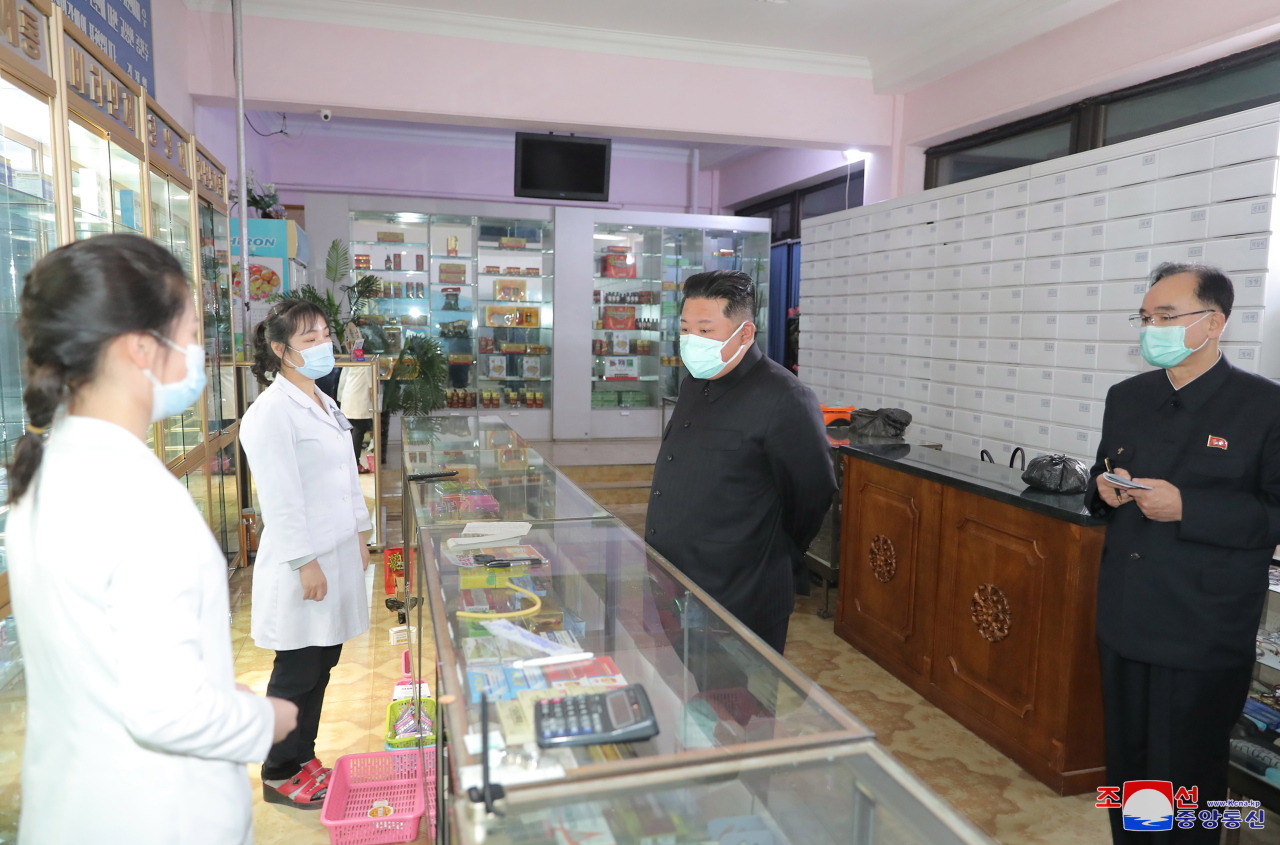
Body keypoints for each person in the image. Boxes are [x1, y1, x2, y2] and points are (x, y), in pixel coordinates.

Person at [6, 235, 296, 844]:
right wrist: (260, 717)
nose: (197, 355)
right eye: (190, 335)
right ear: (141, 347)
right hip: (154, 815)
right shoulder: (135, 497)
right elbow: (167, 710)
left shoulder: (50, 467)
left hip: (75, 807)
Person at [1089, 262, 1280, 844]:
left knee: (1185, 786)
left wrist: (1188, 508)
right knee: (1130, 775)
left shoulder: (1264, 406)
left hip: (1200, 630)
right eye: (1146, 317)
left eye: (1167, 316)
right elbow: (1099, 479)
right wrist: (1103, 488)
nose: (1153, 328)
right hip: (1124, 619)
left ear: (1213, 322)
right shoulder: (1127, 396)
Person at [645, 270, 836, 654]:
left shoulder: (785, 398)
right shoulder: (695, 382)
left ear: (745, 334)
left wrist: (766, 551)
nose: (690, 342)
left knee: (738, 707)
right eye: (684, 329)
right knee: (682, 694)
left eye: (705, 330)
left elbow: (811, 497)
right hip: (673, 580)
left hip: (739, 591)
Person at [239, 299, 373, 808]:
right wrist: (305, 562)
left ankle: (303, 756)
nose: (323, 346)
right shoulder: (270, 413)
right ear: (281, 350)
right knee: (297, 668)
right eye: (309, 339)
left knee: (324, 660)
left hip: (336, 550)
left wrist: (361, 532)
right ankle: (278, 772)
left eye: (324, 335)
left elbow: (344, 477)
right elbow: (281, 498)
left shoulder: (322, 399)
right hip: (305, 561)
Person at [338, 362, 375, 473]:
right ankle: (355, 465)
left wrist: (340, 398)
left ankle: (349, 463)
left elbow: (342, 381)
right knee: (358, 431)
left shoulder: (350, 360)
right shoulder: (366, 363)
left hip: (348, 398)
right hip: (359, 401)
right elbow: (372, 385)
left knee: (350, 432)